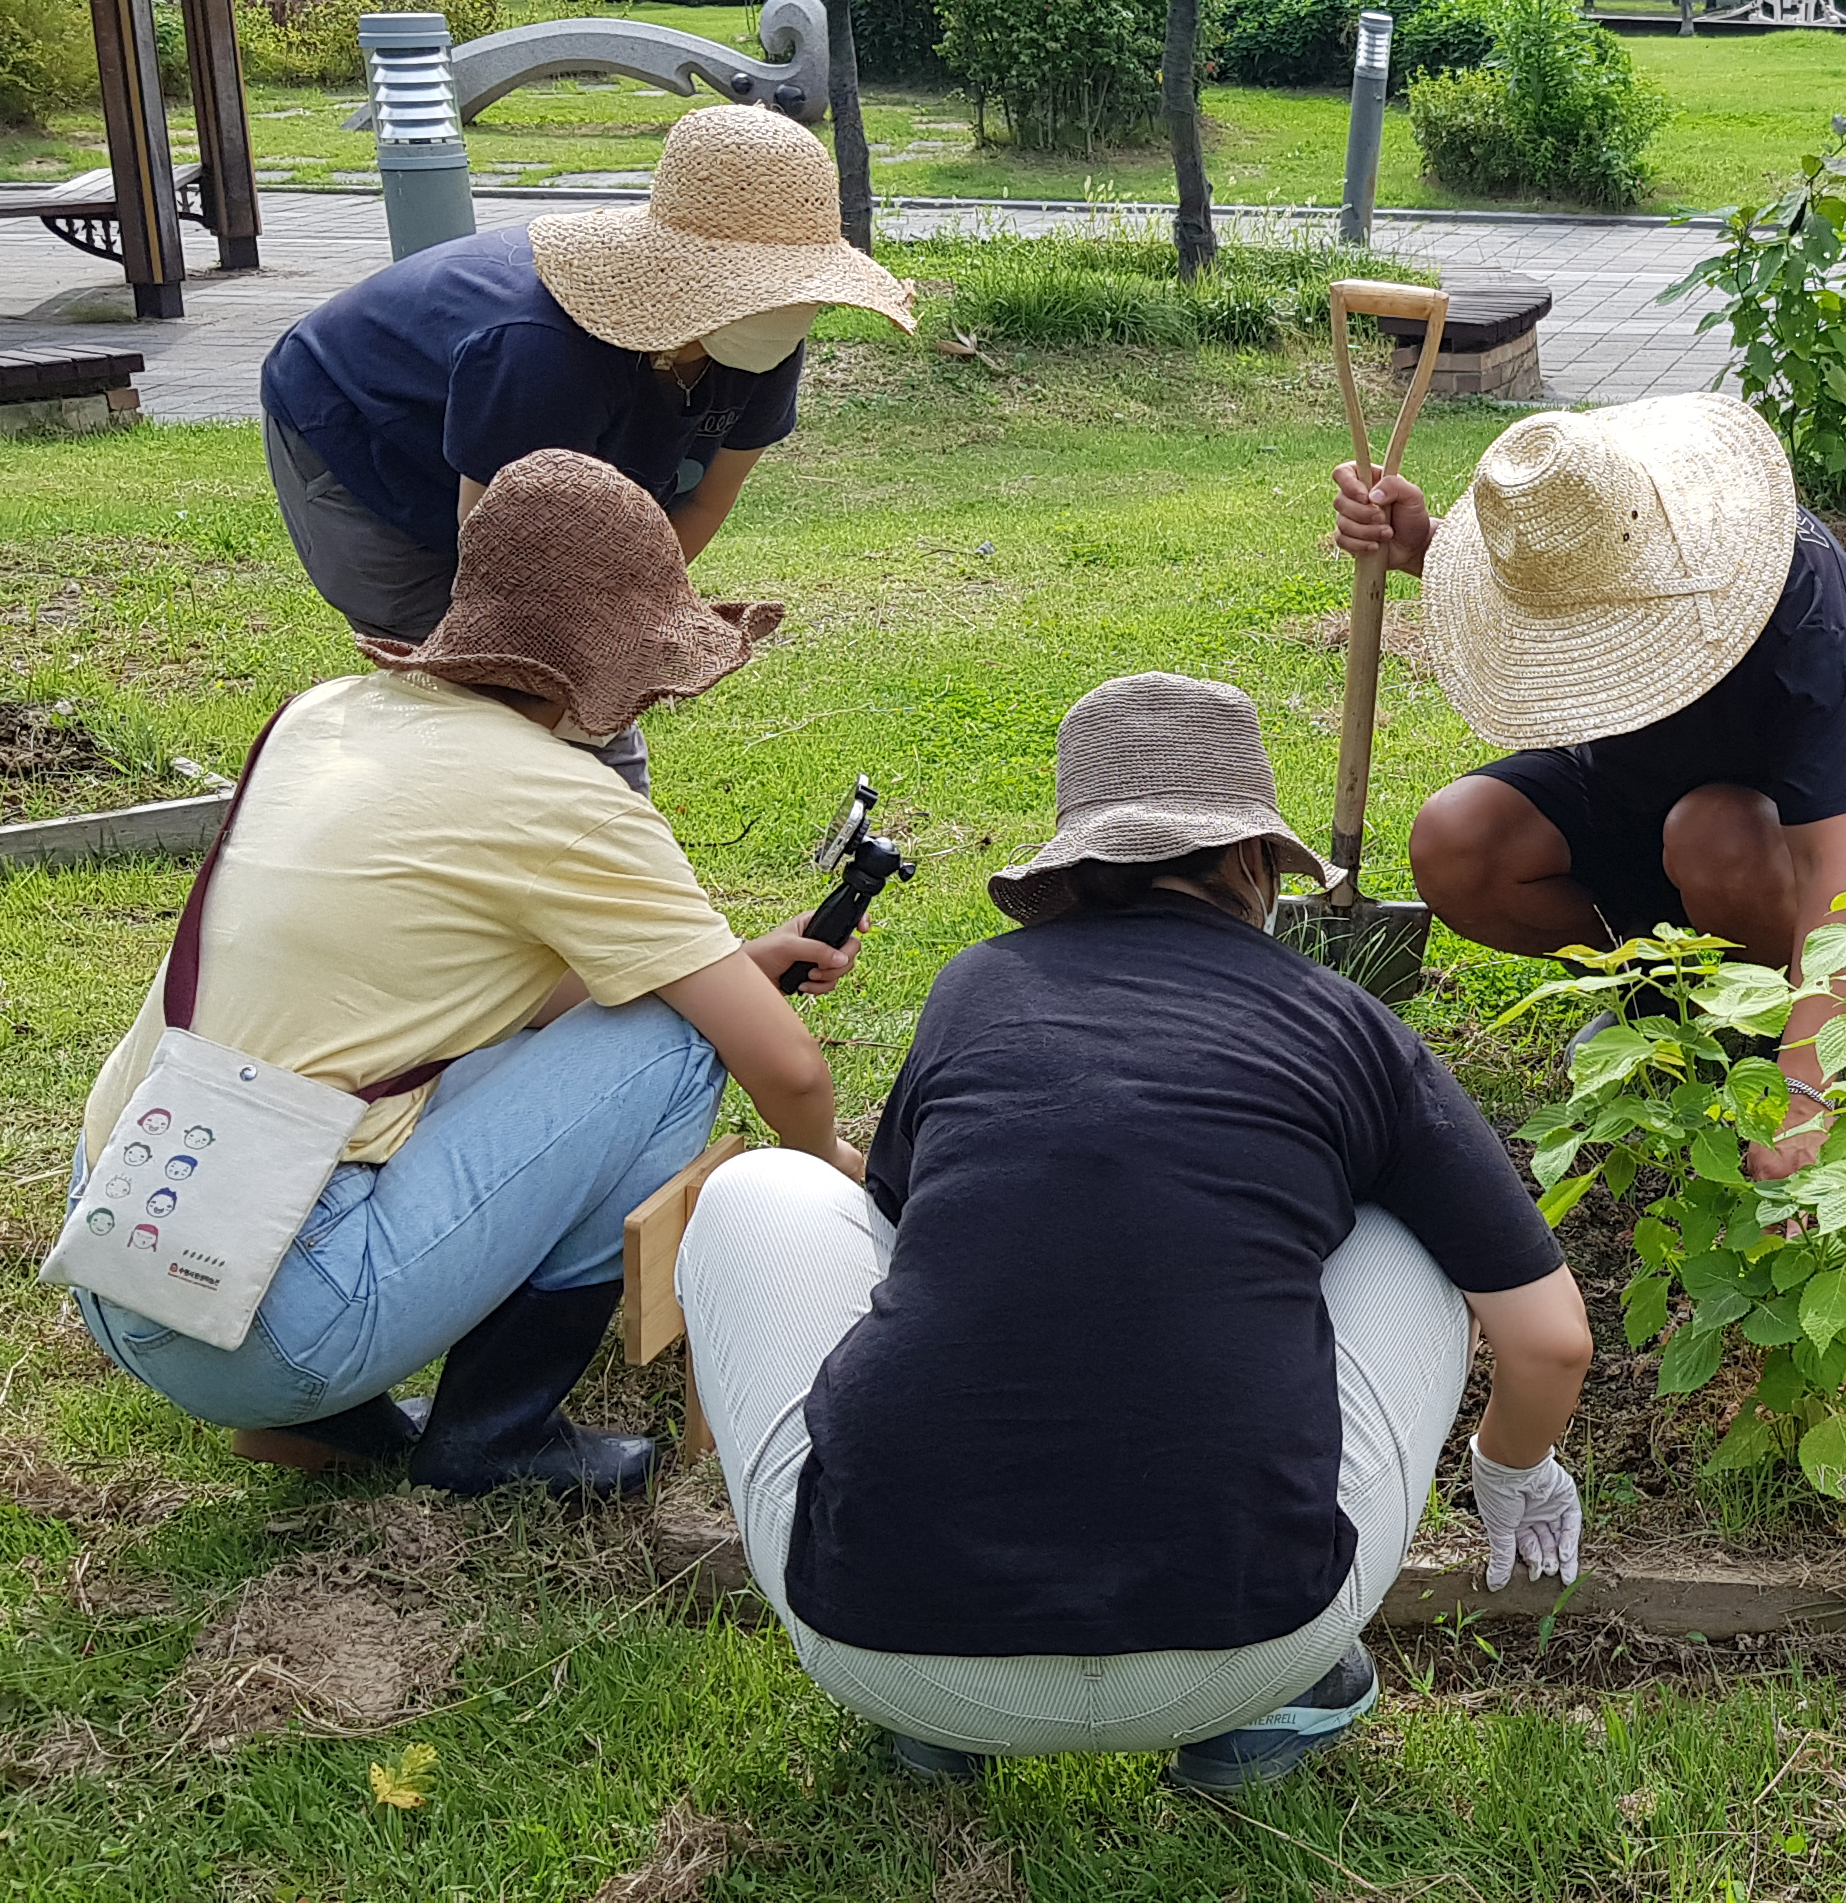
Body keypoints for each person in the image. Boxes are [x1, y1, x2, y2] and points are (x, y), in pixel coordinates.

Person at [674, 673, 1594, 1791]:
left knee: (757, 1188)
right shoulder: (1345, 1023)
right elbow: (1549, 1339)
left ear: (1070, 867)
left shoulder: (974, 988)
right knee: (1417, 1227)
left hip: (885, 1642)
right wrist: (1511, 1471)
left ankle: (944, 1721)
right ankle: (1280, 1711)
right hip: (1251, 1644)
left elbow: (896, 1223)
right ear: (1255, 860)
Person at [69, 448, 866, 1497]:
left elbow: (472, 989)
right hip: (282, 1322)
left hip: (120, 1246)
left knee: (440, 1045)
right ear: (611, 670)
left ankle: (318, 1426)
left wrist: (717, 964)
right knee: (681, 1043)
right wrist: (827, 1168)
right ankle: (494, 1434)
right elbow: (786, 1065)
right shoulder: (570, 802)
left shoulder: (325, 714)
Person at [1330, 393, 1846, 1178]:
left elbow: (1839, 862)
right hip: (1634, 789)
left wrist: (1808, 1089)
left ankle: (1763, 1020)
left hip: (1777, 838)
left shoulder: (1791, 587)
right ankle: (1658, 1004)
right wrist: (1423, 549)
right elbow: (1565, 579)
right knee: (1457, 839)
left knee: (1713, 833)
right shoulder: (1594, 541)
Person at [256, 104, 914, 791]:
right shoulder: (542, 351)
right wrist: (575, 691)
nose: (791, 313)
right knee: (474, 693)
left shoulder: (764, 339)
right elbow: (498, 577)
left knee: (575, 695)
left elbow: (700, 505)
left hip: (508, 426)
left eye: (801, 293)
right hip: (362, 432)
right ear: (686, 277)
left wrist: (615, 628)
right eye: (761, 291)